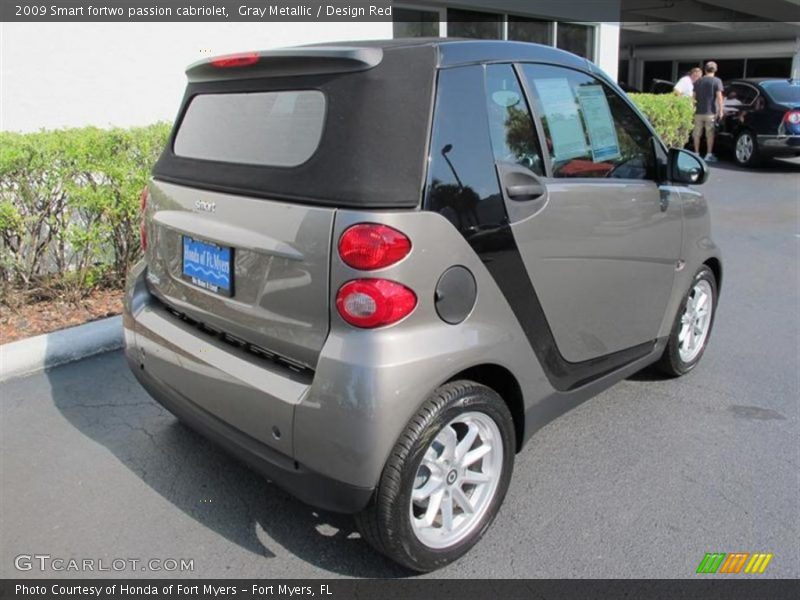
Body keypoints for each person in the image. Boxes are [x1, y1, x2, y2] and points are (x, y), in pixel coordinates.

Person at [692, 61, 724, 162]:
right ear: (715, 70)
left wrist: (692, 108)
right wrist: (721, 110)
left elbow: (693, 97)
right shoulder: (717, 81)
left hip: (698, 112)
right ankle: (708, 154)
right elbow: (719, 98)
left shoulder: (698, 81)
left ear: (705, 70)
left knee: (697, 134)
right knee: (709, 134)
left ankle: (696, 153)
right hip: (710, 112)